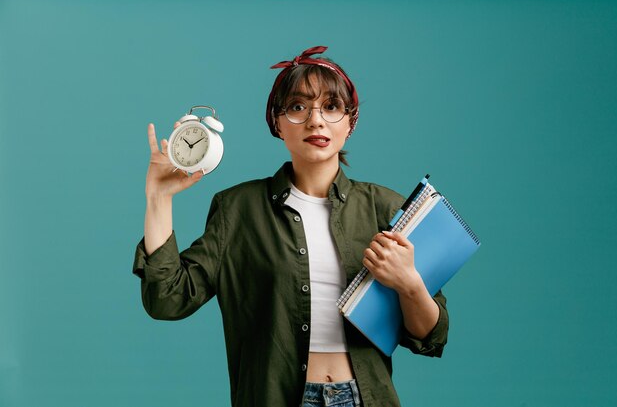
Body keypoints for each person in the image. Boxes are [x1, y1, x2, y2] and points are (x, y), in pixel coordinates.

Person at [133, 46, 449, 407]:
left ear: (350, 122)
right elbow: (167, 300)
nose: (316, 120)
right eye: (298, 107)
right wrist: (158, 197)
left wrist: (409, 284)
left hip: (364, 397)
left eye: (331, 107)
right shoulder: (238, 209)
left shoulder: (386, 208)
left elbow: (430, 336)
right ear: (277, 122)